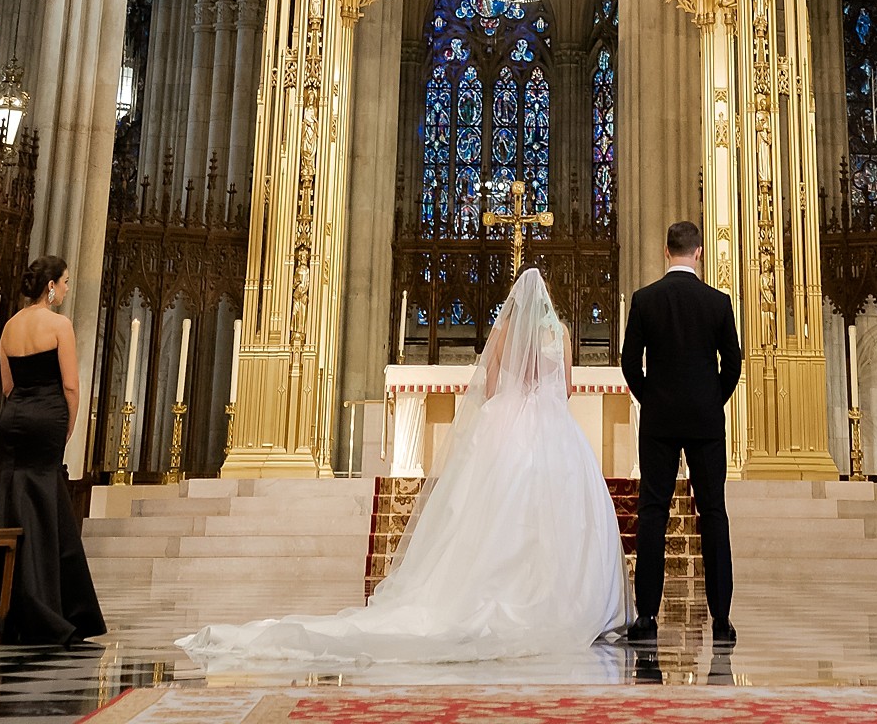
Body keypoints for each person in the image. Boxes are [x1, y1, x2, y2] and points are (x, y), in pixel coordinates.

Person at [180, 268, 627, 669]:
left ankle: (475, 592)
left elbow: (490, 386)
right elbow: (565, 389)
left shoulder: (506, 328)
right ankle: (562, 602)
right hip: (553, 433)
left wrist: (506, 413)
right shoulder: (561, 333)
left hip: (505, 427)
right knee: (560, 516)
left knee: (483, 516)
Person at [0, 253, 105, 645]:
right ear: (51, 286)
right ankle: (45, 604)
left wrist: (23, 413)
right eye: (64, 283)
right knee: (43, 497)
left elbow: (7, 386)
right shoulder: (59, 325)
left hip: (14, 418)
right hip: (47, 418)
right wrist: (67, 426)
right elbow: (72, 387)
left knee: (11, 491)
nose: (65, 289)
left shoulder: (10, 327)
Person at [619, 219, 742, 648]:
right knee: (713, 514)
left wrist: (651, 398)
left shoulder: (645, 299)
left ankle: (647, 615)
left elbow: (630, 362)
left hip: (659, 421)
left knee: (653, 513)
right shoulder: (717, 302)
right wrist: (712, 400)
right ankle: (722, 617)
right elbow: (734, 362)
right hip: (706, 422)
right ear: (700, 252)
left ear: (664, 250)